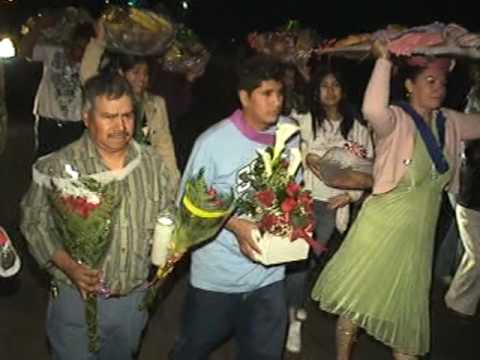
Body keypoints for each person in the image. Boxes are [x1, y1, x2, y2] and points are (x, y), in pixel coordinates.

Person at [311, 39, 480, 360]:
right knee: (356, 301)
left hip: (416, 242)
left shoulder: (450, 122)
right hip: (380, 229)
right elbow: (372, 109)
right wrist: (384, 60)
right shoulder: (396, 120)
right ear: (408, 85)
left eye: (442, 83)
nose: (438, 88)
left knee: (406, 323)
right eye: (429, 81)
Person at [20, 73, 177, 360]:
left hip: (132, 303)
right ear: (86, 116)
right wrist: (69, 265)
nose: (121, 126)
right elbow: (33, 222)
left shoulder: (151, 163)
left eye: (127, 116)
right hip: (76, 302)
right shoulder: (59, 167)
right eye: (109, 116)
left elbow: (168, 212)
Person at [170, 55, 292, 360]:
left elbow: (294, 189)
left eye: (279, 93)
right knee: (192, 350)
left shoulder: (289, 135)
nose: (276, 102)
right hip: (218, 278)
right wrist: (235, 224)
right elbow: (187, 205)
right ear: (244, 97)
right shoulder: (212, 143)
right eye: (267, 94)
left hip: (270, 277)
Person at [285, 67, 373, 353]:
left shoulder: (357, 127)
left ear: (343, 90)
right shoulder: (304, 120)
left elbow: (369, 166)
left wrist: (350, 194)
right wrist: (303, 159)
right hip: (303, 199)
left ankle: (292, 296)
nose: (330, 91)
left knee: (311, 258)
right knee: (299, 260)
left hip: (331, 204)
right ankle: (293, 317)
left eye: (335, 85)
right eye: (324, 85)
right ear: (316, 90)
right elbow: (285, 149)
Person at [80, 20, 180, 183]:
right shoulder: (109, 98)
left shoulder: (156, 104)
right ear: (121, 73)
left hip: (144, 176)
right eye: (136, 72)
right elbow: (87, 76)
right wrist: (98, 42)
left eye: (145, 74)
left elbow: (164, 145)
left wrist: (173, 181)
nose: (142, 78)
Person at [20, 16, 94, 157]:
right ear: (71, 43)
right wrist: (39, 26)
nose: (81, 52)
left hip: (75, 126)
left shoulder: (91, 63)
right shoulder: (53, 51)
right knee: (43, 167)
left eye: (86, 48)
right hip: (48, 122)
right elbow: (24, 50)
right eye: (79, 46)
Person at [445, 70, 480, 317]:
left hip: (470, 188)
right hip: (471, 191)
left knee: (468, 247)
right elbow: (469, 147)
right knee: (476, 252)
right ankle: (457, 303)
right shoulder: (474, 99)